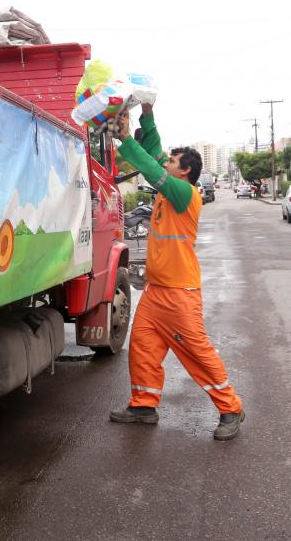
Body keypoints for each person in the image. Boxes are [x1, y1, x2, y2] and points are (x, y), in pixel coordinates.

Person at [107, 104, 245, 441]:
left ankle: (231, 408)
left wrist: (126, 140)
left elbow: (152, 169)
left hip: (180, 294)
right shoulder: (170, 188)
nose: (165, 163)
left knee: (197, 353)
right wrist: (147, 114)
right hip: (156, 291)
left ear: (185, 172)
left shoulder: (184, 194)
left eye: (171, 162)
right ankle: (143, 406)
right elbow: (154, 155)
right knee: (142, 348)